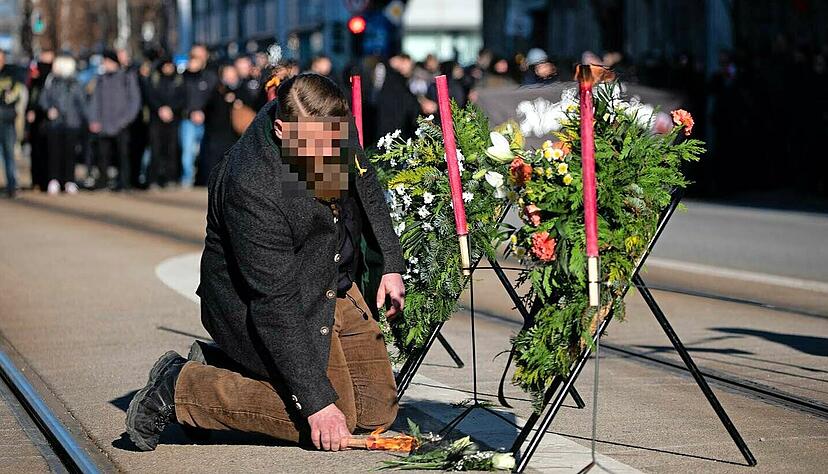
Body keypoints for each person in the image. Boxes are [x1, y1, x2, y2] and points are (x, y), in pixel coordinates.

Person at [125, 73, 406, 452]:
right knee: (332, 419)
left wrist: (390, 262)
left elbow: (364, 180)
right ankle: (181, 387)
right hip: (267, 306)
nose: (329, 155)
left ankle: (224, 365)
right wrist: (317, 403)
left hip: (331, 283)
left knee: (377, 414)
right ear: (281, 129)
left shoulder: (328, 120)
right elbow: (274, 304)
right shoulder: (251, 184)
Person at [88, 50, 141, 190]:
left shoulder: (127, 77)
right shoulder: (100, 79)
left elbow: (134, 101)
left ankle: (124, 182)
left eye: (107, 61)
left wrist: (125, 120)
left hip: (121, 123)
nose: (104, 64)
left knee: (123, 155)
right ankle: (102, 181)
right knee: (102, 155)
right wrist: (94, 119)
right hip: (103, 123)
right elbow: (94, 101)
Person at [38, 53, 86, 194]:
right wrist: (49, 110)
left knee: (70, 153)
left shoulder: (75, 83)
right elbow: (44, 99)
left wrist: (83, 118)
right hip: (55, 124)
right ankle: (54, 180)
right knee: (54, 152)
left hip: (71, 123)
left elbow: (81, 103)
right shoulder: (52, 81)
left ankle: (69, 180)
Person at [194, 64, 242, 185]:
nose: (230, 77)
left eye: (232, 74)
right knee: (214, 159)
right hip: (216, 132)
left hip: (234, 133)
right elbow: (209, 107)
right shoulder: (216, 90)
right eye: (228, 74)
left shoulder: (241, 90)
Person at [180, 44, 218, 187]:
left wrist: (204, 113)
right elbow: (180, 99)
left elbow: (213, 99)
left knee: (205, 152)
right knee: (187, 152)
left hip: (206, 120)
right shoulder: (183, 78)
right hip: (188, 120)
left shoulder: (211, 77)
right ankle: (187, 179)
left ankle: (202, 178)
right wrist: (190, 113)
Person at [144, 55, 183, 188]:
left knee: (171, 149)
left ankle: (170, 178)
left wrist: (171, 109)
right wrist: (160, 109)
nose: (168, 68)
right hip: (156, 119)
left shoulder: (178, 80)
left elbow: (182, 98)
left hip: (173, 119)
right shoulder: (154, 80)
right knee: (155, 149)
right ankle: (153, 179)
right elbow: (150, 96)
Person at [376, 54, 420, 138]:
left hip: (397, 127)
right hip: (391, 127)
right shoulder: (390, 76)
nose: (410, 68)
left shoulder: (400, 80)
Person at [1, 50, 24, 198]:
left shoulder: (11, 73)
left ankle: (12, 185)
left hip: (7, 120)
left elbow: (15, 94)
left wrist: (5, 97)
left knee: (9, 154)